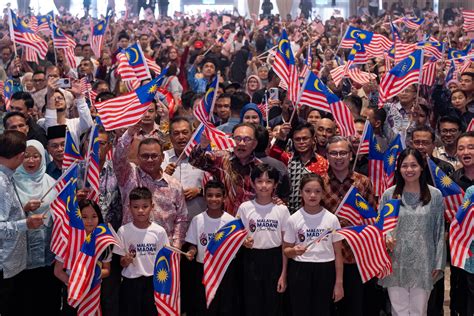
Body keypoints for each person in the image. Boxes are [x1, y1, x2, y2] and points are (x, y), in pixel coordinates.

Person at [379, 148, 446, 316]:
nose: (409, 170)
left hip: (424, 262)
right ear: (399, 168)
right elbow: (380, 227)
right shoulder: (390, 195)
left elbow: (439, 231)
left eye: (413, 165)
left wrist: (438, 263)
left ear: (422, 167)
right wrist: (386, 240)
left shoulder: (435, 195)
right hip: (395, 261)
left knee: (419, 310)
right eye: (404, 166)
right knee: (398, 310)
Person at [113, 124, 189, 248]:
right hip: (132, 251)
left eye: (154, 156)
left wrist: (176, 247)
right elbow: (118, 159)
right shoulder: (129, 176)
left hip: (164, 252)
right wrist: (129, 134)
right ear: (137, 157)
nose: (149, 160)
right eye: (145, 156)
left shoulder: (174, 185)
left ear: (163, 157)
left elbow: (181, 219)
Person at [283, 173, 344, 315]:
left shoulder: (332, 219)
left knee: (322, 310)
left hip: (325, 269)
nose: (312, 195)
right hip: (300, 270)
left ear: (323, 194)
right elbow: (286, 250)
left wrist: (339, 283)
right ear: (301, 193)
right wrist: (294, 251)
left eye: (317, 191)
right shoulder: (294, 219)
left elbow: (338, 253)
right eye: (308, 191)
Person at [13, 140, 61, 314]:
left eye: (36, 156)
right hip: (21, 258)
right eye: (26, 156)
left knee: (48, 301)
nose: (31, 161)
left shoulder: (52, 183)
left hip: (48, 252)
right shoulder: (11, 183)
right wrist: (24, 209)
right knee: (24, 302)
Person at [0, 131, 45, 316]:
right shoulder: (1, 182)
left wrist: (23, 208)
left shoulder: (6, 176)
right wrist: (25, 223)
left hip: (12, 262)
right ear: (19, 156)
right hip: (4, 263)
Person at [237, 164, 289, 315]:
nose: (264, 185)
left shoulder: (282, 209)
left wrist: (284, 273)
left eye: (268, 181)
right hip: (251, 260)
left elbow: (286, 244)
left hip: (274, 260)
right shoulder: (245, 208)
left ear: (275, 184)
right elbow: (237, 235)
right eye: (259, 181)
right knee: (252, 304)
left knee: (273, 305)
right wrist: (243, 241)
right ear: (252, 183)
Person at [114, 187, 169, 316]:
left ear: (152, 206)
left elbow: (164, 260)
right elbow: (120, 262)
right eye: (136, 207)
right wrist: (125, 260)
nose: (140, 211)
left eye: (145, 206)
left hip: (153, 282)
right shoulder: (123, 231)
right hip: (130, 283)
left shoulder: (159, 231)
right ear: (129, 207)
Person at [184, 180, 236, 315]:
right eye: (210, 195)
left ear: (224, 198)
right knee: (204, 307)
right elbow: (193, 244)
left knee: (225, 306)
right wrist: (191, 251)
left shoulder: (232, 222)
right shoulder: (197, 220)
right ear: (205, 197)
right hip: (203, 269)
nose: (214, 199)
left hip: (224, 271)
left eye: (218, 195)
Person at [54, 199, 112, 314]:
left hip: (93, 292)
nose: (89, 221)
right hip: (72, 291)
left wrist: (94, 274)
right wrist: (75, 284)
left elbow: (107, 270)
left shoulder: (104, 242)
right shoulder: (69, 240)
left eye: (94, 216)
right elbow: (57, 271)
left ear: (99, 217)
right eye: (84, 217)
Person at [189, 122, 261, 215]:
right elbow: (195, 161)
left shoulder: (260, 168)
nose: (242, 143)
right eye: (238, 138)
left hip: (249, 220)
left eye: (247, 139)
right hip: (222, 219)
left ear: (254, 144)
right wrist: (202, 146)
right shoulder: (221, 159)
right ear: (232, 140)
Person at [270, 122, 328, 213]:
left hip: (312, 214)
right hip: (286, 213)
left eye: (305, 138)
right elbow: (273, 157)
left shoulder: (323, 163)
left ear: (313, 139)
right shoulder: (287, 158)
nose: (301, 142)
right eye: (297, 139)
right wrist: (281, 138)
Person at [161, 117, 206, 219]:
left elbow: (218, 187)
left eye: (185, 132)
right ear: (170, 137)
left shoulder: (204, 158)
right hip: (170, 219)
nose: (181, 137)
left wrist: (199, 191)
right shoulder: (162, 158)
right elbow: (151, 188)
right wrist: (164, 175)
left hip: (198, 218)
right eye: (176, 133)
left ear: (192, 134)